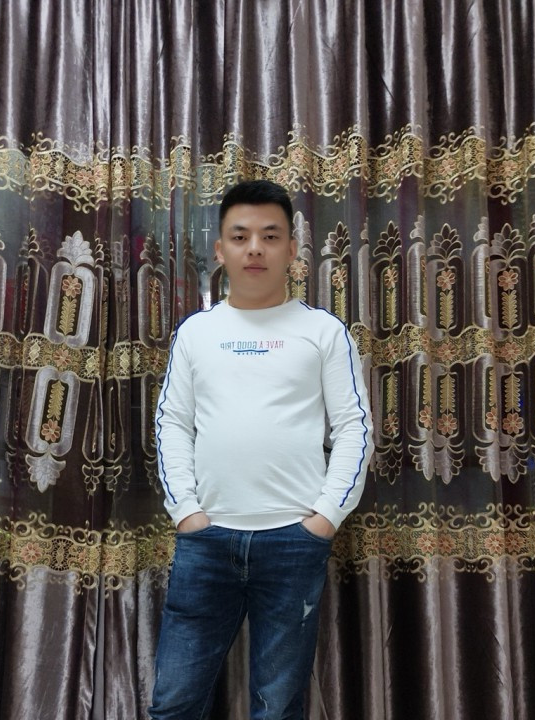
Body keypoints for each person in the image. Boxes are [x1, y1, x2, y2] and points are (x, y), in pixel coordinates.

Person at [150, 180, 374, 720]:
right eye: (241, 236)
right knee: (174, 703)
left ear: (292, 249)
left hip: (294, 541)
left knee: (277, 707)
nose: (255, 248)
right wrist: (186, 513)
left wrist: (325, 517)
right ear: (220, 249)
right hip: (206, 541)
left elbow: (354, 428)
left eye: (271, 236)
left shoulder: (324, 332)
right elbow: (172, 424)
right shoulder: (195, 333)